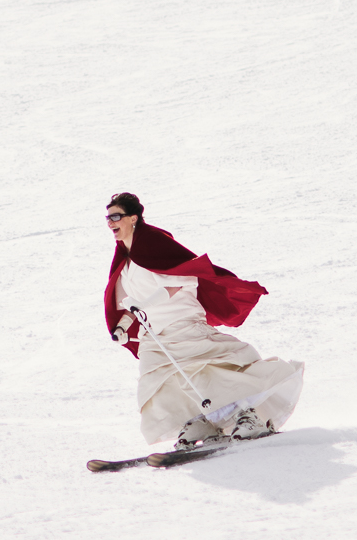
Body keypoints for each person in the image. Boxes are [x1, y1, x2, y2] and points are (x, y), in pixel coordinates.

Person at [102, 192, 304, 450]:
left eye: (116, 217)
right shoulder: (125, 260)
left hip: (181, 321)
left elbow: (180, 281)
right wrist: (122, 326)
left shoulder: (154, 243)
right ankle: (201, 420)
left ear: (133, 218)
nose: (110, 223)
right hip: (153, 336)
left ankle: (247, 414)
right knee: (155, 383)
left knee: (203, 372)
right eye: (108, 218)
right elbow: (131, 303)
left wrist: (144, 304)